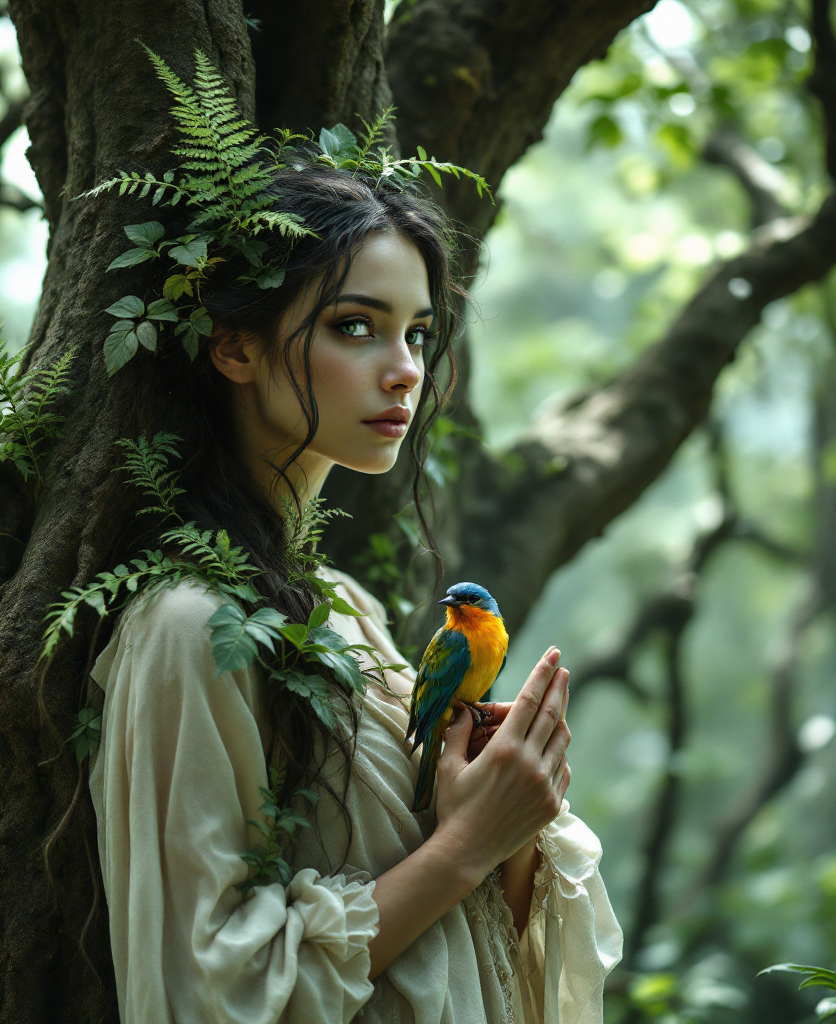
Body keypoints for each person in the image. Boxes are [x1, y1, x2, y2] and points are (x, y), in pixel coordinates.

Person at [87, 164, 623, 1023]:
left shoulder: (348, 608)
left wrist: (505, 809)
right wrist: (461, 846)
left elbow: (475, 939)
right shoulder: (191, 629)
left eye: (416, 332)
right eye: (354, 326)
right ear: (235, 347)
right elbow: (202, 995)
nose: (405, 369)